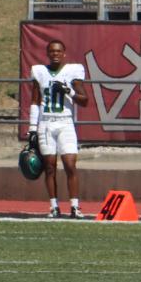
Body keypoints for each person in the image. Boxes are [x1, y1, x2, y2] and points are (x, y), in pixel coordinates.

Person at [27, 38, 90, 218]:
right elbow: (35, 101)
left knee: (70, 164)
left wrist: (68, 91)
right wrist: (32, 128)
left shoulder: (72, 71)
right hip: (46, 123)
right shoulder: (39, 72)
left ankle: (75, 206)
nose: (55, 54)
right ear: (47, 54)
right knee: (49, 167)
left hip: (65, 122)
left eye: (58, 51)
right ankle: (53, 206)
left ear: (64, 53)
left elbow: (84, 100)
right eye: (52, 51)